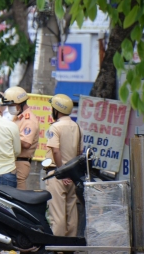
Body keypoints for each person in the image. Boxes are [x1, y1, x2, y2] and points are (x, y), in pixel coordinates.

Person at [45, 94, 82, 237]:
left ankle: (58, 248)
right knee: (72, 211)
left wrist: (62, 172)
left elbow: (55, 150)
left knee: (57, 213)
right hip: (73, 175)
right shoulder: (77, 127)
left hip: (57, 174)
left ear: (56, 110)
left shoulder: (55, 127)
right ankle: (70, 246)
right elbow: (79, 153)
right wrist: (70, 174)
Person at [0, 86, 39, 190]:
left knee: (19, 196)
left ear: (20, 103)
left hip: (20, 163)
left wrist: (7, 137)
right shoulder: (18, 117)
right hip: (14, 162)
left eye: (11, 105)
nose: (9, 108)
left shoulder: (28, 120)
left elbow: (26, 143)